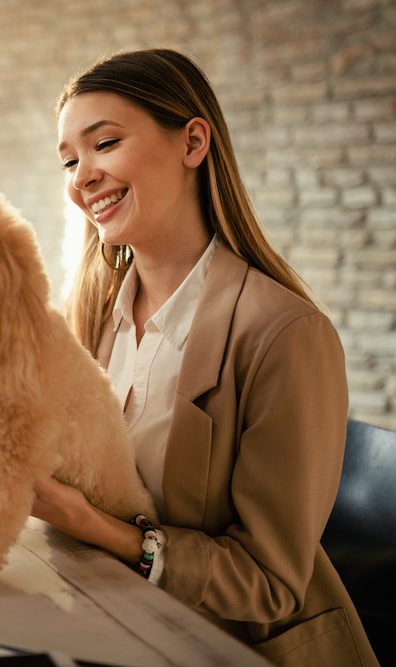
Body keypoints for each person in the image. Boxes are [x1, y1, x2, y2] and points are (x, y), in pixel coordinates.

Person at [34, 48, 378, 666]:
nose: (80, 176)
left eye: (104, 143)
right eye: (69, 158)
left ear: (193, 142)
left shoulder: (285, 333)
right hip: (99, 622)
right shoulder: (88, 317)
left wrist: (97, 529)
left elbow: (269, 583)